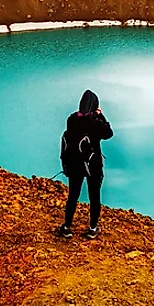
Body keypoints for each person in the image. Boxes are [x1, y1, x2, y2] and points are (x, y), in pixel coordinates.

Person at [56, 89, 113, 240]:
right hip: (93, 164)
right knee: (94, 197)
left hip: (75, 163)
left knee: (73, 195)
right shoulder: (96, 122)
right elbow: (108, 133)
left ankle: (67, 227)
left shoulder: (72, 119)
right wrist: (101, 115)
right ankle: (92, 229)